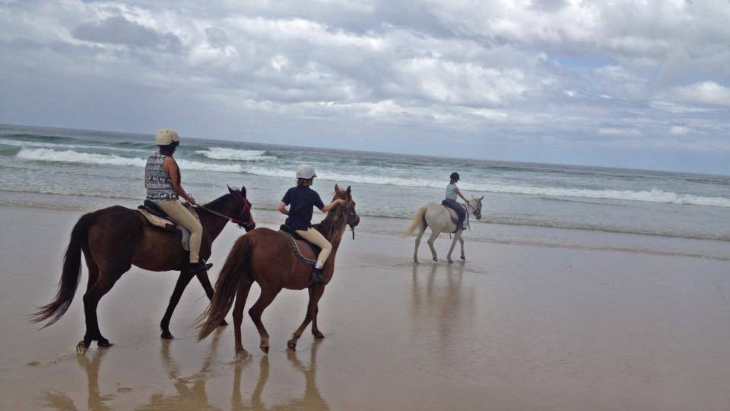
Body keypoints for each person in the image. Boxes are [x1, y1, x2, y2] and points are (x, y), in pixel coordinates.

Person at [144, 128, 210, 273]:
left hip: (150, 201)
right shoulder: (170, 162)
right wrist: (189, 199)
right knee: (197, 228)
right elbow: (176, 186)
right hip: (166, 203)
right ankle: (194, 263)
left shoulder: (151, 158)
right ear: (173, 146)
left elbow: (146, 184)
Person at [277, 164, 344, 283]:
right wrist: (337, 201)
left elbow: (280, 208)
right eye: (312, 178)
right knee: (327, 246)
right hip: (302, 228)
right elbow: (324, 209)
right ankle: (316, 272)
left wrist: (289, 214)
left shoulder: (291, 191)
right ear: (310, 179)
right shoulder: (312, 194)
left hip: (288, 226)